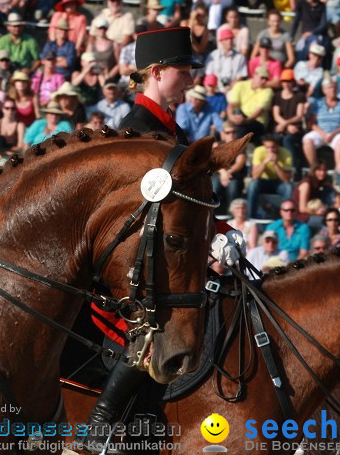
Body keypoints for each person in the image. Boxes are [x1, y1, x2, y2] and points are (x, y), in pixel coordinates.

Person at [84, 26, 245, 454]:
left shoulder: (168, 128)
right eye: (182, 69)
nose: (191, 77)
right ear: (156, 72)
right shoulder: (138, 130)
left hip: (160, 257)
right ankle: (100, 424)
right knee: (154, 331)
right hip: (132, 269)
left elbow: (184, 206)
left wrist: (221, 233)